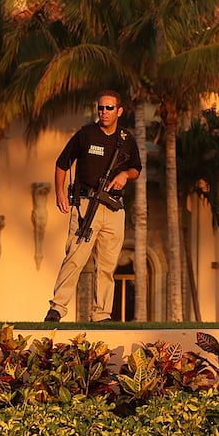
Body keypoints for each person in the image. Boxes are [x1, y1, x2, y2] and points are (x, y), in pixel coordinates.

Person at [44, 90, 141, 322]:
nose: (104, 112)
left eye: (109, 108)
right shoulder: (86, 134)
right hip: (86, 205)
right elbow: (62, 163)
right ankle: (57, 308)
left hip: (114, 209)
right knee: (75, 257)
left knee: (107, 265)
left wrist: (125, 175)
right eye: (100, 108)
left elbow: (136, 169)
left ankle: (101, 314)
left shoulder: (127, 140)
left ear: (119, 111)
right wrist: (60, 193)